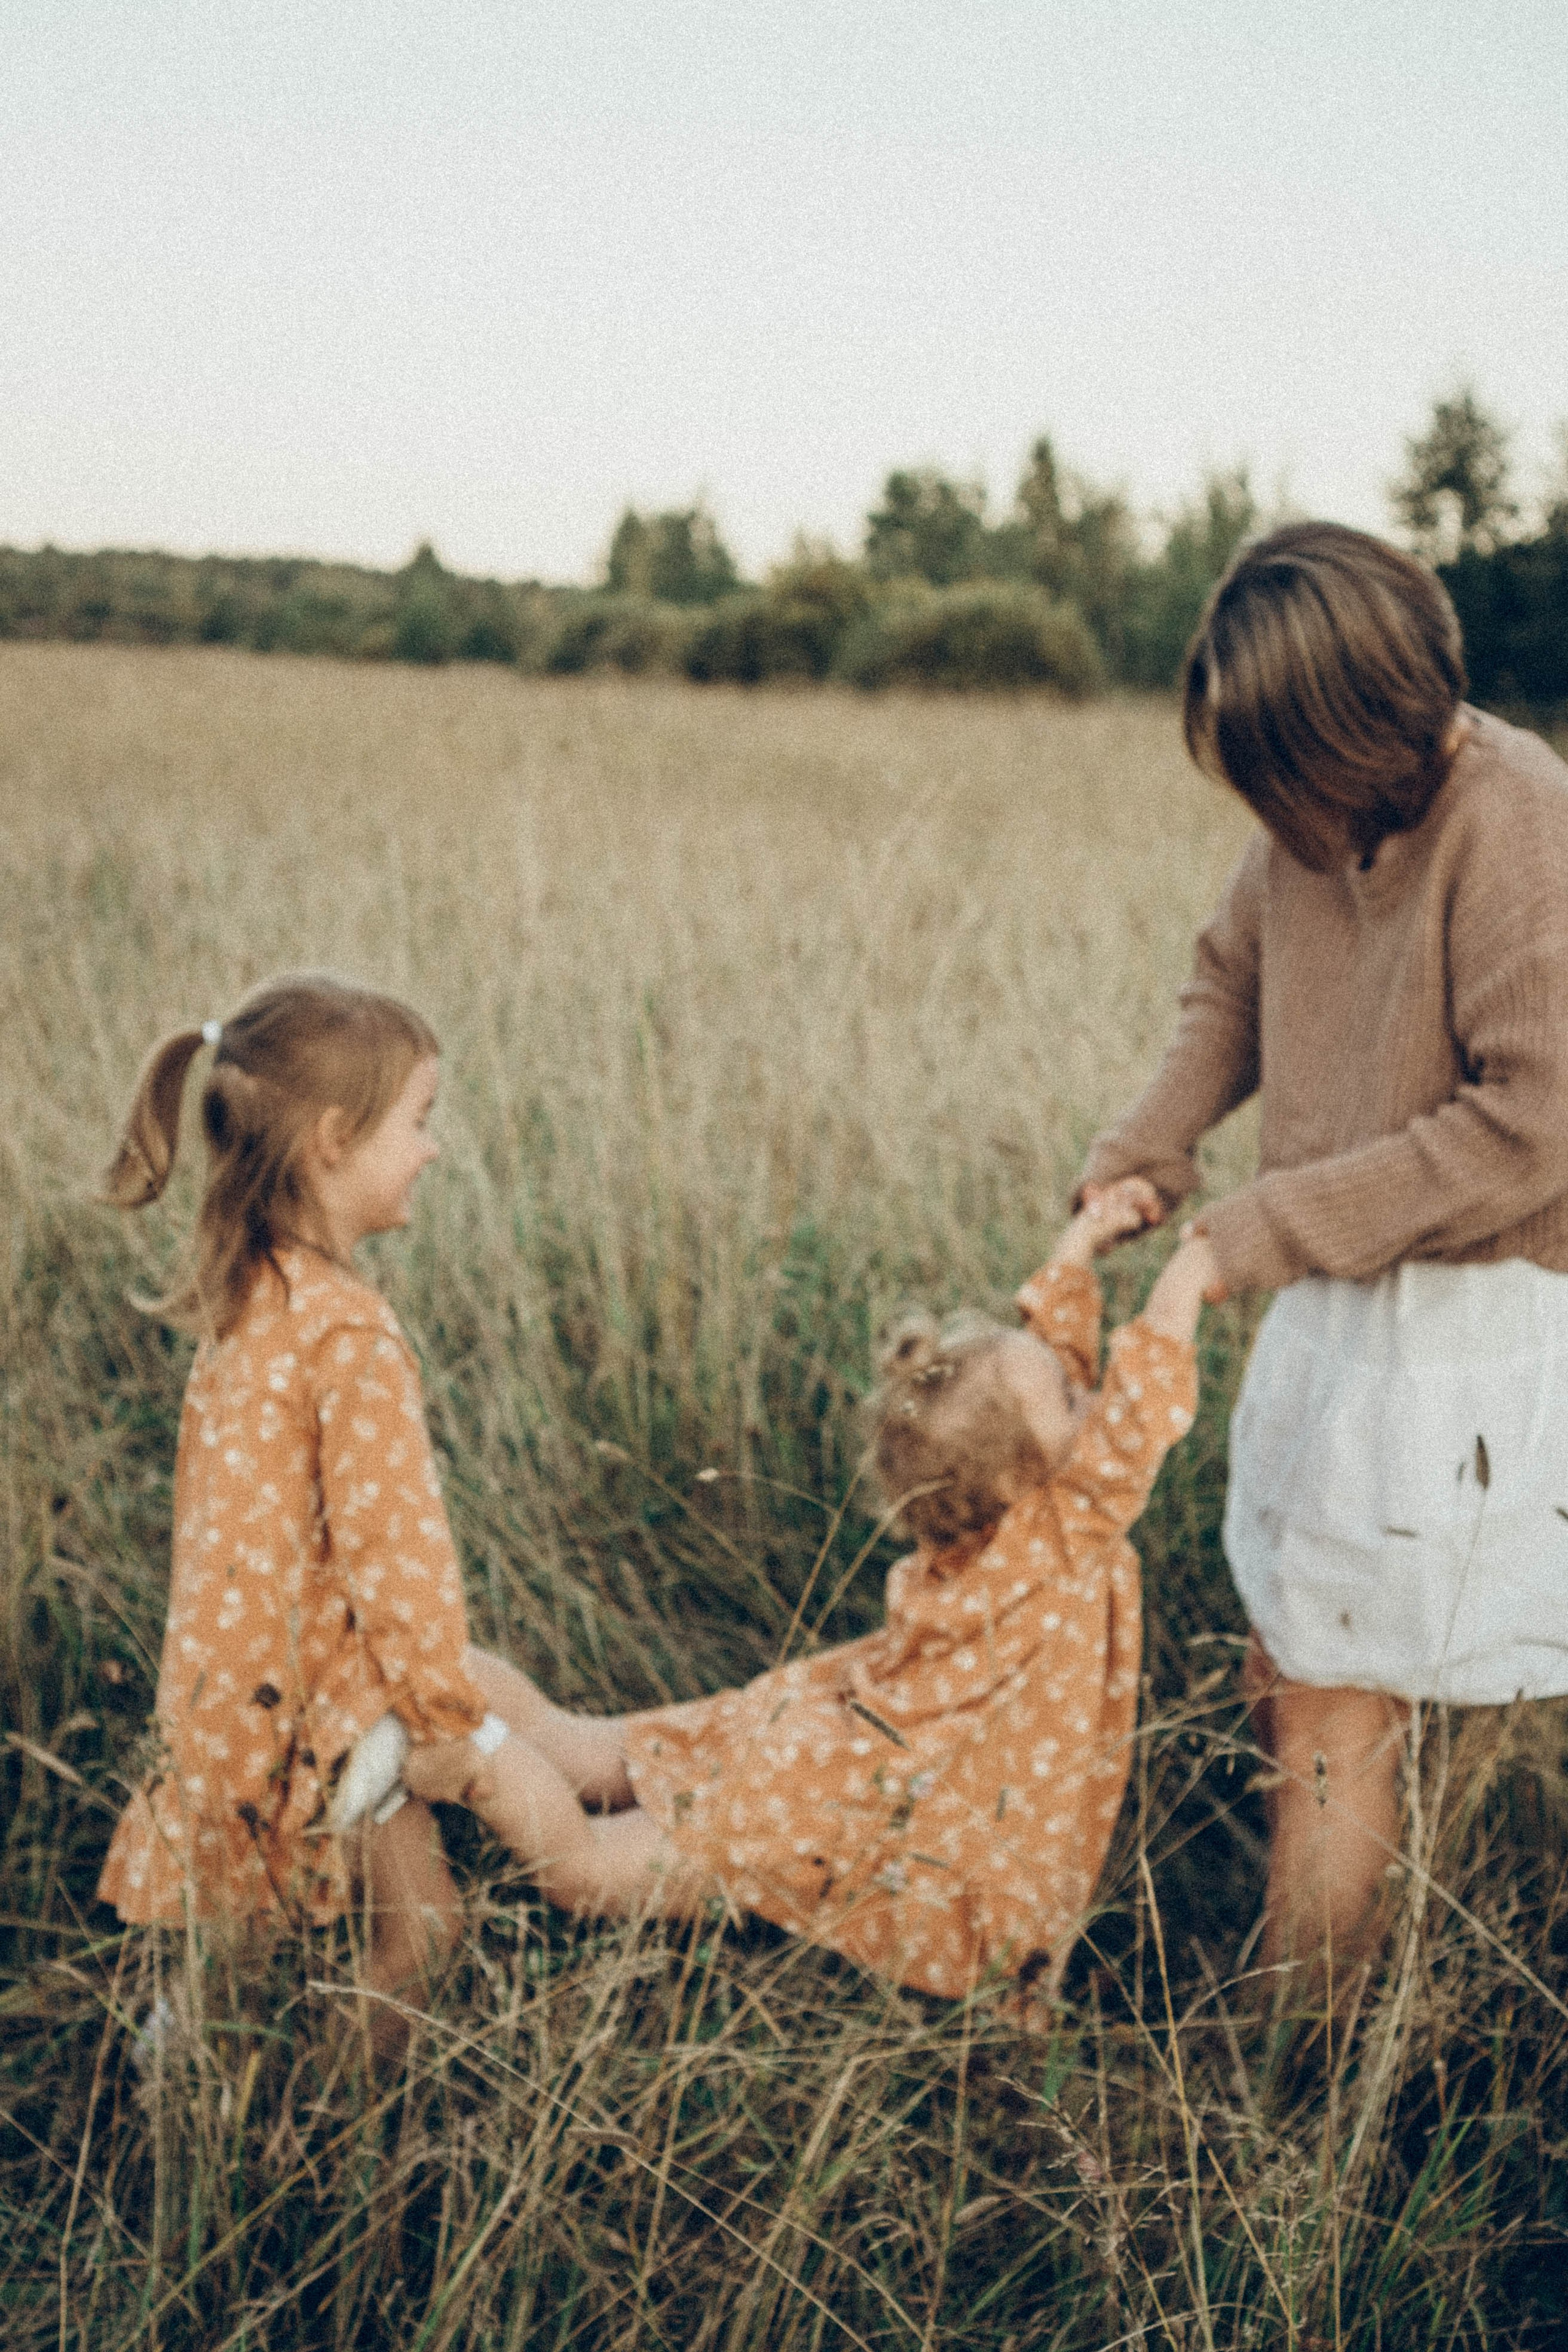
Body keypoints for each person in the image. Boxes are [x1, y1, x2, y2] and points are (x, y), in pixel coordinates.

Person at [1078, 520, 1568, 1975]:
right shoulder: (1304, 821)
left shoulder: (1514, 817)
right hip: (1345, 1291)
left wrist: (1254, 1232)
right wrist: (1143, 1153)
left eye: (1279, 765)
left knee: (1331, 1699)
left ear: (1360, 726)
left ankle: (1293, 2073)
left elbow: (1537, 1118)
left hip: (1475, 1317)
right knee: (1288, 1662)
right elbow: (1227, 987)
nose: (1267, 805)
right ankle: (1328, 1977)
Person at [404, 1188, 1213, 2002]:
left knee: (571, 1741)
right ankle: (464, 1755)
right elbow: (1131, 1423)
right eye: (1076, 1404)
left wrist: (1081, 1248)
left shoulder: (1007, 1520)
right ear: (1015, 1478)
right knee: (581, 1871)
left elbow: (1050, 1368)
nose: (1094, 1395)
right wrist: (1192, 1270)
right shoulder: (1060, 1531)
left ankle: (407, 1665)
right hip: (843, 1797)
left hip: (822, 1735)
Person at [96, 973, 502, 2040]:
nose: (432, 1149)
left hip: (230, 1693)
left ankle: (179, 2086)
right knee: (419, 1939)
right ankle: (329, 2155)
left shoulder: (250, 1302)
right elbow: (396, 1560)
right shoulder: (350, 1336)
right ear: (331, 1139)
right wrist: (447, 1726)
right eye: (418, 1121)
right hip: (334, 1699)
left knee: (246, 1942)